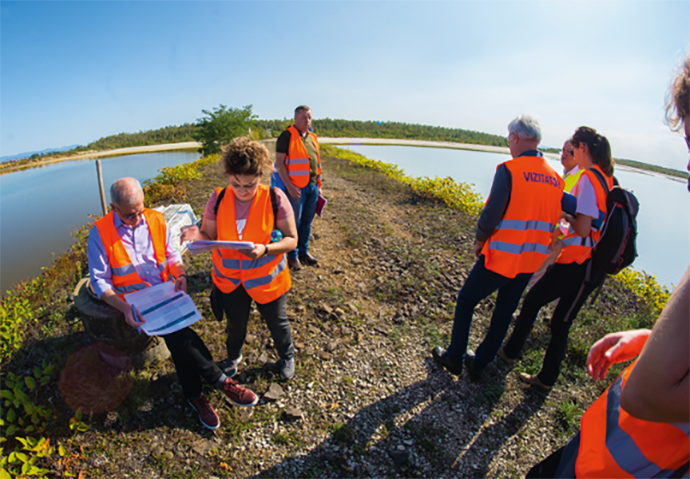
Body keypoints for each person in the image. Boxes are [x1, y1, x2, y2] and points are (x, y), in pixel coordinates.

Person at [88, 177, 258, 431]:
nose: (137, 219)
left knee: (179, 341)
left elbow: (171, 254)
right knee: (180, 336)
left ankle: (195, 396)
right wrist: (124, 308)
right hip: (135, 303)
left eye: (140, 211)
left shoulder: (156, 219)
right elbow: (99, 281)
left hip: (166, 293)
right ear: (114, 209)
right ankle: (220, 381)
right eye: (129, 215)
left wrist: (180, 274)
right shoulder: (99, 232)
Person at [432, 115, 564, 380]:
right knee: (504, 313)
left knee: (467, 299)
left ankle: (455, 357)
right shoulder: (556, 179)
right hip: (530, 259)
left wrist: (480, 239)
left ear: (515, 137)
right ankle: (480, 363)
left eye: (508, 138)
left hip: (503, 255)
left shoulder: (509, 170)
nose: (508, 143)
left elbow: (492, 214)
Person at [499, 126, 615, 393]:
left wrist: (564, 211)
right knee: (561, 322)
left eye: (573, 149)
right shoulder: (608, 180)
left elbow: (584, 227)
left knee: (531, 302)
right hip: (593, 267)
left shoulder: (588, 178)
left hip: (575, 261)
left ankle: (510, 353)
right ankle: (546, 378)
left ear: (582, 148)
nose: (571, 153)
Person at [181, 138, 298, 380]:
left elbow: (291, 240)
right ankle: (233, 356)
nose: (242, 191)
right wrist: (195, 235)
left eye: (249, 185)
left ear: (261, 176)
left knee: (277, 322)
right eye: (236, 184)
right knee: (235, 325)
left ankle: (287, 355)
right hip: (230, 281)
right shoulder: (218, 198)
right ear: (227, 176)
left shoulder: (276, 198)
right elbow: (208, 236)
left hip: (267, 280)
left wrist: (265, 249)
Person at [271, 105, 322, 271]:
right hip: (295, 189)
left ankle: (303, 252)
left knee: (307, 222)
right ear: (295, 119)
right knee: (294, 223)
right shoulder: (286, 136)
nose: (307, 121)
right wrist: (290, 186)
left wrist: (319, 186)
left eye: (309, 118)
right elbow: (279, 163)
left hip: (312, 187)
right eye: (303, 118)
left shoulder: (313, 137)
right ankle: (292, 256)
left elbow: (317, 164)